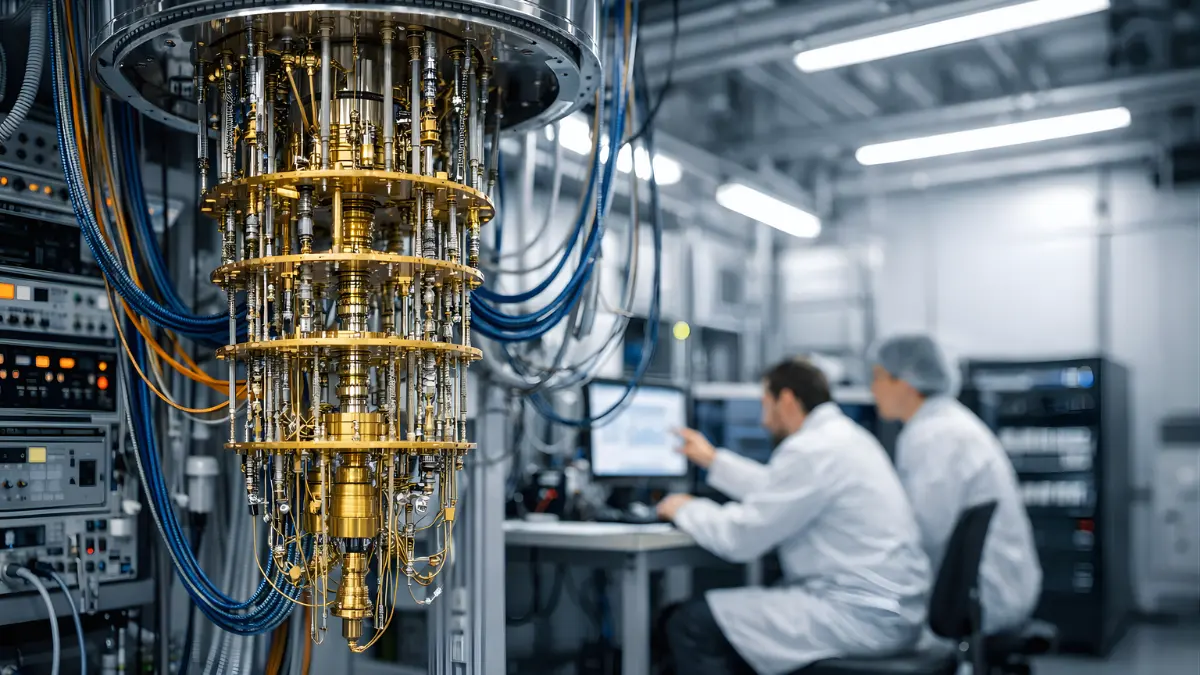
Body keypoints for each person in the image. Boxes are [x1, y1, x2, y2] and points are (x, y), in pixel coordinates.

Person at [656, 358, 930, 675]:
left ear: (786, 400)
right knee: (717, 620)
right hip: (887, 611)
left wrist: (684, 508)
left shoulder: (811, 449)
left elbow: (740, 538)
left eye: (765, 404)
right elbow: (782, 491)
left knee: (691, 624)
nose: (763, 421)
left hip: (858, 615)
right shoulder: (842, 439)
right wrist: (713, 461)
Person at [870, 334, 1042, 634]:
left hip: (983, 596)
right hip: (1001, 587)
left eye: (878, 377)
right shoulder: (947, 424)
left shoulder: (934, 436)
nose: (872, 389)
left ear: (906, 382)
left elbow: (925, 532)